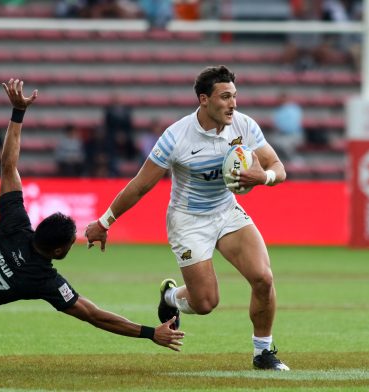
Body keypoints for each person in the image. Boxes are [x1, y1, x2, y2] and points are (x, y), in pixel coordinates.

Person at [0, 79, 185, 353]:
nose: (73, 245)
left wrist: (18, 112)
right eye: (71, 243)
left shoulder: (16, 223)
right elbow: (94, 316)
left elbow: (8, 166)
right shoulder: (42, 279)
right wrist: (150, 333)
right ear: (58, 249)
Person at [85, 65, 289, 370]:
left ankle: (263, 352)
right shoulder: (176, 137)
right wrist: (104, 222)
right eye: (225, 96)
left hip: (226, 211)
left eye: (234, 96)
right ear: (204, 99)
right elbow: (141, 185)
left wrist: (265, 177)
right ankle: (170, 296)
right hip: (189, 220)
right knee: (206, 303)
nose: (233, 103)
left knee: (263, 278)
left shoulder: (244, 126)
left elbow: (278, 167)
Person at [269, 93, 304, 163]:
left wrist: (281, 128)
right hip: (281, 135)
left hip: (294, 135)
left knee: (285, 144)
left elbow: (292, 126)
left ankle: (295, 160)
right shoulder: (278, 110)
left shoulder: (294, 109)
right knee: (270, 142)